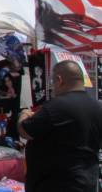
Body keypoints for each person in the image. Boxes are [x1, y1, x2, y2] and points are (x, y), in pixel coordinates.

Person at [18, 60, 102, 192]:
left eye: (53, 82)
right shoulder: (98, 107)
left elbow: (25, 131)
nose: (53, 87)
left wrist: (24, 114)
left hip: (55, 183)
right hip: (87, 182)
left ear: (59, 79)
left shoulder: (55, 107)